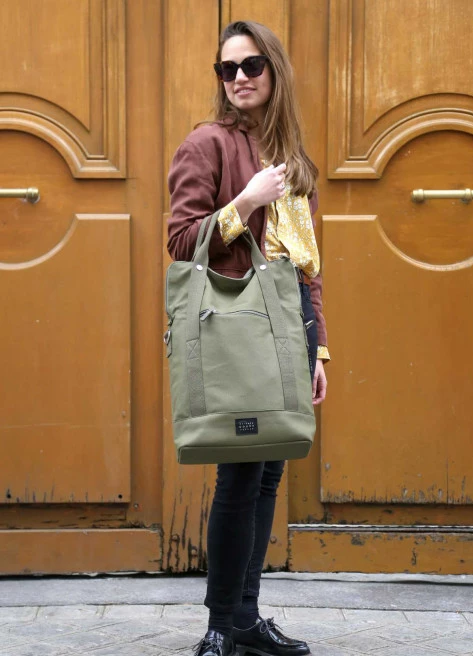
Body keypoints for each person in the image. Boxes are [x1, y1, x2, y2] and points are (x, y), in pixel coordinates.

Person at [168, 20, 329, 656]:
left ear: (274, 70)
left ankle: (245, 618)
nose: (238, 78)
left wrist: (318, 349)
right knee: (239, 477)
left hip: (289, 329)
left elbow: (308, 268)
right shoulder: (207, 143)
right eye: (227, 68)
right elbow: (182, 241)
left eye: (251, 65)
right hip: (238, 330)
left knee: (266, 476)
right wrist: (246, 201)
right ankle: (219, 624)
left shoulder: (296, 161)